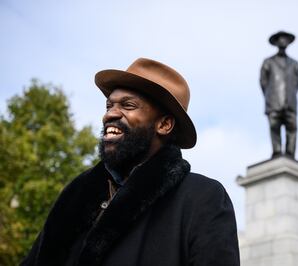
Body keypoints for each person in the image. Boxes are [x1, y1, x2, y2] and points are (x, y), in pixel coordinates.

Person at [21, 58, 240, 266]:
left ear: (164, 124)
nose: (109, 115)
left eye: (127, 105)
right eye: (109, 106)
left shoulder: (203, 198)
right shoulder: (75, 194)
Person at [260, 31, 298, 158]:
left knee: (292, 127)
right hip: (274, 101)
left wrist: (290, 95)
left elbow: (297, 83)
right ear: (276, 42)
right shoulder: (268, 62)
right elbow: (263, 81)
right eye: (281, 39)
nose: (283, 42)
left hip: (290, 102)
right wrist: (270, 96)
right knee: (274, 126)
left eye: (285, 39)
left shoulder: (294, 63)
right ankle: (277, 151)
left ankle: (290, 153)